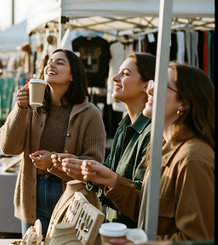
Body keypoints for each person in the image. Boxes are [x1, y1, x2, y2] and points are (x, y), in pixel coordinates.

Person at [81, 63, 214, 240]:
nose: (149, 91)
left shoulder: (193, 158)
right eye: (152, 83)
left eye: (160, 86)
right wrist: (112, 181)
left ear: (184, 103)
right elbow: (149, 212)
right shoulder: (163, 147)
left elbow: (197, 239)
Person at [0, 49, 107, 237]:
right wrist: (20, 108)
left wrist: (53, 162)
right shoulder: (31, 108)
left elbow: (94, 163)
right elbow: (8, 147)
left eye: (60, 62)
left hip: (71, 197)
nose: (51, 64)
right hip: (33, 191)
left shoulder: (90, 114)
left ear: (73, 76)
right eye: (49, 61)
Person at [53, 53, 156, 228]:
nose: (115, 78)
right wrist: (84, 171)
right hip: (114, 229)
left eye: (125, 73)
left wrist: (109, 179)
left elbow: (146, 197)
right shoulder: (124, 126)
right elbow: (109, 174)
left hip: (133, 235)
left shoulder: (151, 133)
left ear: (147, 86)